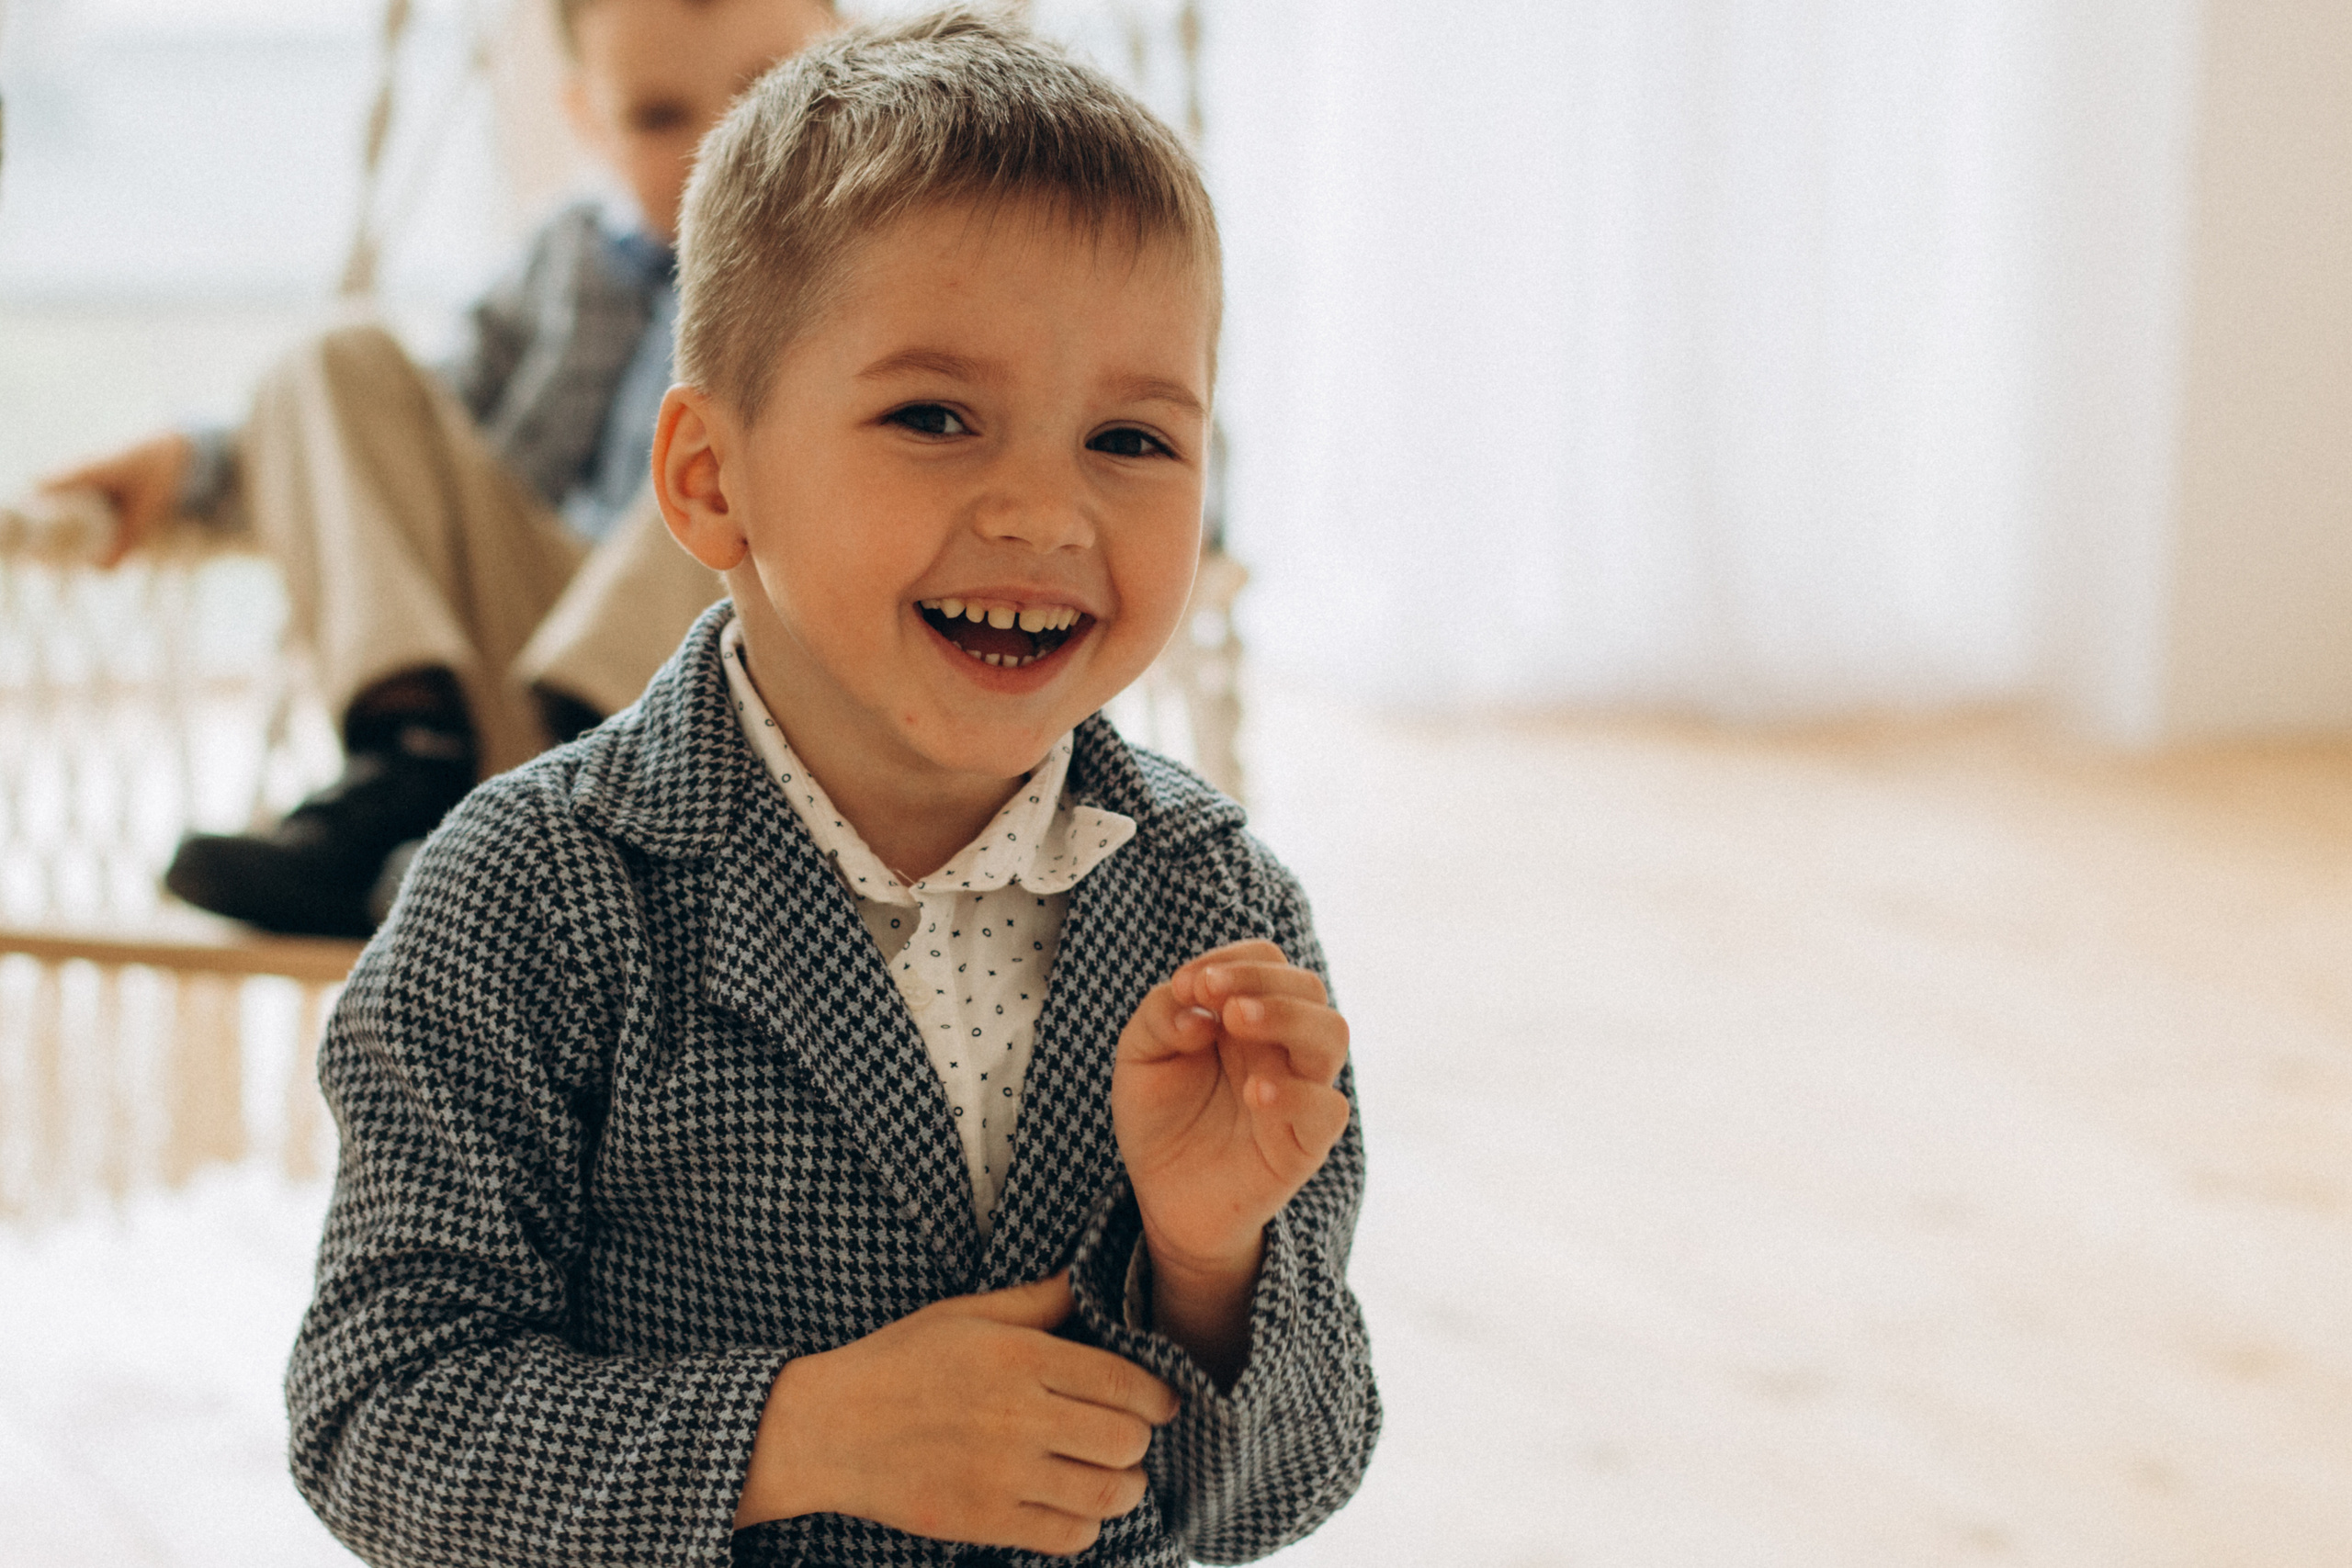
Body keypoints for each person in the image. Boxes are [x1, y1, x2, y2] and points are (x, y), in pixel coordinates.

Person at [283, 10, 1379, 1567]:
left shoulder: (1218, 907)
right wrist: (802, 1434)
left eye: (1131, 437)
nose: (1044, 508)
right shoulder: (527, 892)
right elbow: (378, 1421)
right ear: (710, 480)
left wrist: (1208, 1259)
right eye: (934, 416)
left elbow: (1281, 1489)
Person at [35, 0, 840, 939]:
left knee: (736, 438)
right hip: (513, 677)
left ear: (850, 75)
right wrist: (194, 460)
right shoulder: (568, 260)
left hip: (713, 720)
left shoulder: (869, 275)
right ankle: (408, 766)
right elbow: (402, 432)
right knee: (332, 361)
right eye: (658, 117)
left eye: (763, 97)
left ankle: (573, 827)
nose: (715, 149)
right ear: (588, 119)